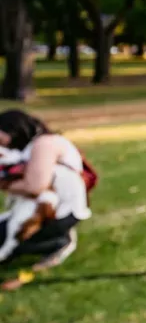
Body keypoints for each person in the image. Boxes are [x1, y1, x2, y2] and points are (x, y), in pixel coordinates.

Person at [0, 109, 91, 272]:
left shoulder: (45, 144)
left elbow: (35, 187)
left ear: (12, 130)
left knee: (9, 239)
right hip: (48, 210)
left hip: (57, 213)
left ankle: (56, 242)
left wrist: (4, 184)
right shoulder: (34, 146)